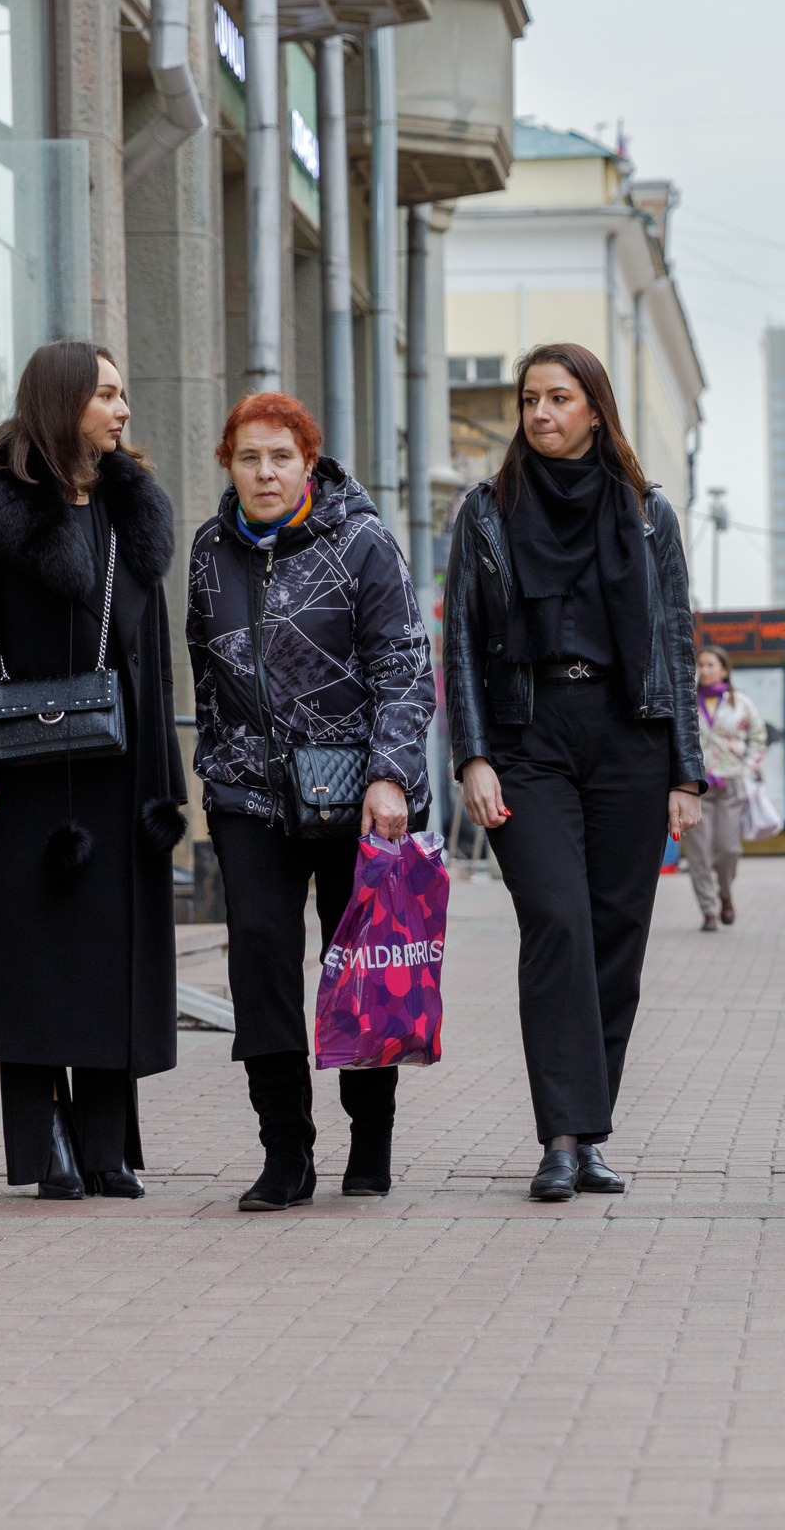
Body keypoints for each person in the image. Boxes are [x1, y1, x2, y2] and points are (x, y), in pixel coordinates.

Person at [444, 342, 704, 1202]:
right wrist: (473, 754)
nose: (542, 414)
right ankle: (560, 1135)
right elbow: (462, 648)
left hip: (628, 737)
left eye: (559, 398)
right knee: (556, 921)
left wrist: (684, 773)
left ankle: (589, 1134)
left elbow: (673, 637)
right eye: (530, 400)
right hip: (529, 735)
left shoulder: (646, 512)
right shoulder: (486, 512)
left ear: (595, 406)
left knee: (616, 935)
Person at [0, 341, 186, 1201]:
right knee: (36, 958)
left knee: (112, 957)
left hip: (122, 769)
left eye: (124, 393)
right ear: (63, 399)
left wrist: (169, 782)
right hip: (27, 764)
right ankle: (45, 1142)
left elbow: (153, 658)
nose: (122, 409)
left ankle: (108, 1143)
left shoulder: (131, 505)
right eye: (107, 394)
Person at [186, 392, 434, 1211]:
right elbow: (207, 674)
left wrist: (391, 774)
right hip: (248, 793)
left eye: (280, 457)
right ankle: (285, 1149)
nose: (264, 471)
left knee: (357, 960)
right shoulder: (208, 551)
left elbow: (404, 665)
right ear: (228, 460)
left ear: (307, 462)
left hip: (358, 790)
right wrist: (214, 771)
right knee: (259, 957)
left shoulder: (362, 542)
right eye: (249, 456)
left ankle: (371, 1135)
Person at [687, 646, 767, 931]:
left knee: (728, 849)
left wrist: (748, 770)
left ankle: (725, 894)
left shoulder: (740, 703)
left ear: (724, 669)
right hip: (697, 787)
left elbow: (759, 736)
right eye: (700, 665)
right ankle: (708, 911)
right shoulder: (687, 703)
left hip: (732, 784)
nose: (704, 670)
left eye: (710, 664)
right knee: (699, 853)